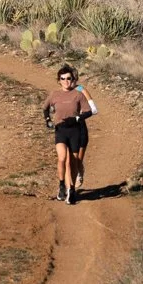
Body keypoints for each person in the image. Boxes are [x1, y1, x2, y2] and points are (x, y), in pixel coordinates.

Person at [43, 65, 94, 204]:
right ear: (59, 80)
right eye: (63, 78)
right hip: (61, 130)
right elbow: (45, 108)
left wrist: (77, 118)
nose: (66, 81)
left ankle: (71, 189)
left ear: (72, 79)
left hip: (75, 130)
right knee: (62, 158)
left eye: (68, 78)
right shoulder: (54, 94)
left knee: (73, 161)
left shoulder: (78, 94)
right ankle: (61, 185)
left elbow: (90, 111)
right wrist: (47, 120)